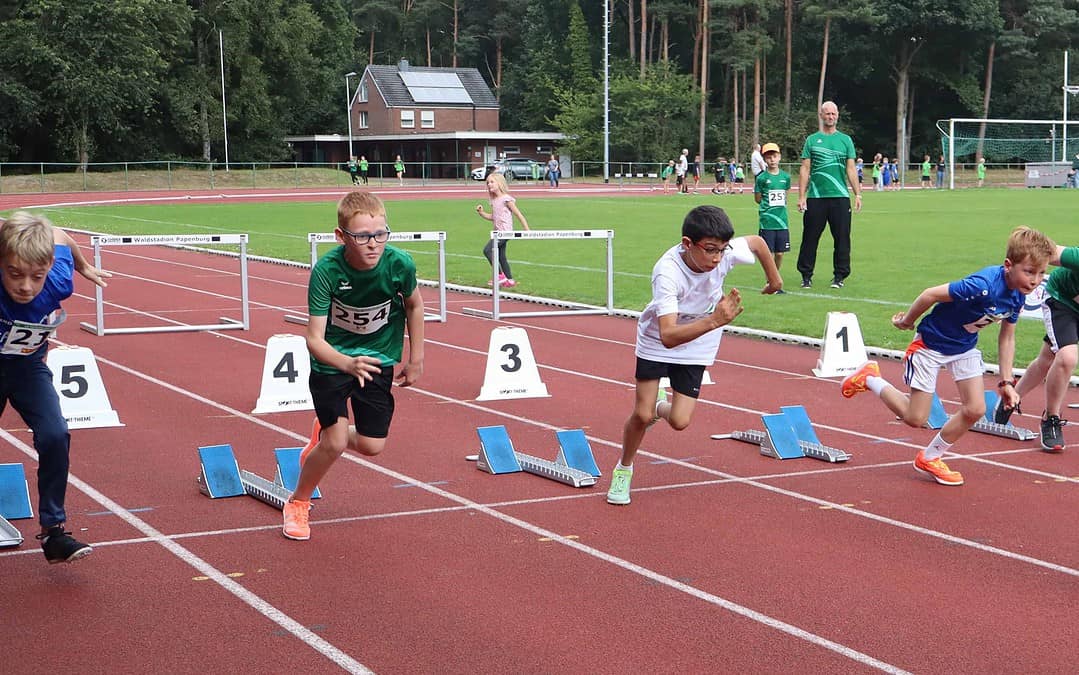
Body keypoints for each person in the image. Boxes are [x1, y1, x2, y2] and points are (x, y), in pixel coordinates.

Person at [840, 226, 1057, 486]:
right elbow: (930, 294)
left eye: (1041, 273)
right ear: (1008, 265)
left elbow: (1007, 338)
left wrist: (1007, 383)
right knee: (915, 418)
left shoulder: (1017, 296)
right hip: (930, 345)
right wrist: (908, 321)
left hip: (963, 347)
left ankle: (930, 457)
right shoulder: (982, 285)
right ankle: (870, 378)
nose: (1035, 280)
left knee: (975, 409)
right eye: (1029, 272)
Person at [606, 206, 782, 506]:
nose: (717, 258)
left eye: (723, 250)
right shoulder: (667, 272)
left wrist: (774, 279)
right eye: (710, 250)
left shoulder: (723, 254)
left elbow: (757, 243)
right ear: (688, 244)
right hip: (659, 338)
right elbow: (668, 335)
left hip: (699, 340)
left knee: (679, 421)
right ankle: (624, 469)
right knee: (642, 414)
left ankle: (660, 404)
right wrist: (715, 320)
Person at [283, 191, 425, 540]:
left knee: (372, 446)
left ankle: (326, 433)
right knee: (334, 445)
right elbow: (313, 338)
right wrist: (347, 362)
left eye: (380, 234)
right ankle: (298, 504)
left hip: (378, 361)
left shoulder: (399, 264)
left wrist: (416, 357)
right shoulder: (327, 272)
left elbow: (414, 306)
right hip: (333, 363)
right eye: (362, 236)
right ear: (341, 236)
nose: (373, 244)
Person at [0, 212, 111, 562]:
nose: (26, 286)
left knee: (54, 434)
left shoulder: (59, 280)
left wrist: (83, 266)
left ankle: (53, 533)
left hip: (27, 367)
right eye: (15, 274)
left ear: (49, 265)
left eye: (36, 276)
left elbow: (60, 234)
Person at [994, 240, 1073, 452]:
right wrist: (1026, 238)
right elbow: (1048, 250)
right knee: (1067, 358)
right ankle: (1051, 419)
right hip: (1062, 301)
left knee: (1046, 360)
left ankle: (1010, 397)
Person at [796, 100, 862, 290]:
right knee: (810, 237)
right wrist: (801, 196)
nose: (830, 117)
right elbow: (805, 169)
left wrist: (858, 194)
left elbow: (851, 168)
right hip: (816, 197)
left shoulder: (845, 140)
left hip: (840, 197)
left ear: (837, 116)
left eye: (833, 114)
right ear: (821, 115)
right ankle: (806, 275)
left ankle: (839, 276)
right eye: (827, 114)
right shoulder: (812, 140)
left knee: (842, 238)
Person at [475, 172, 530, 288]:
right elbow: (493, 217)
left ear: (499, 183)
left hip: (505, 232)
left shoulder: (506, 199)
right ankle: (509, 280)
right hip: (497, 233)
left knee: (487, 250)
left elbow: (518, 214)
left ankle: (500, 275)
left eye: (492, 182)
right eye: (488, 183)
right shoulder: (493, 201)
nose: (489, 185)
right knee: (501, 256)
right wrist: (481, 213)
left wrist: (526, 229)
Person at [754, 143, 791, 291]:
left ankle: (774, 278)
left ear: (779, 157)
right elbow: (757, 198)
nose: (772, 160)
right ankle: (771, 281)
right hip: (767, 221)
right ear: (764, 160)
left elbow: (786, 195)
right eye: (768, 157)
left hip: (782, 221)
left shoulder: (785, 177)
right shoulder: (762, 178)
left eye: (774, 156)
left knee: (780, 253)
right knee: (768, 254)